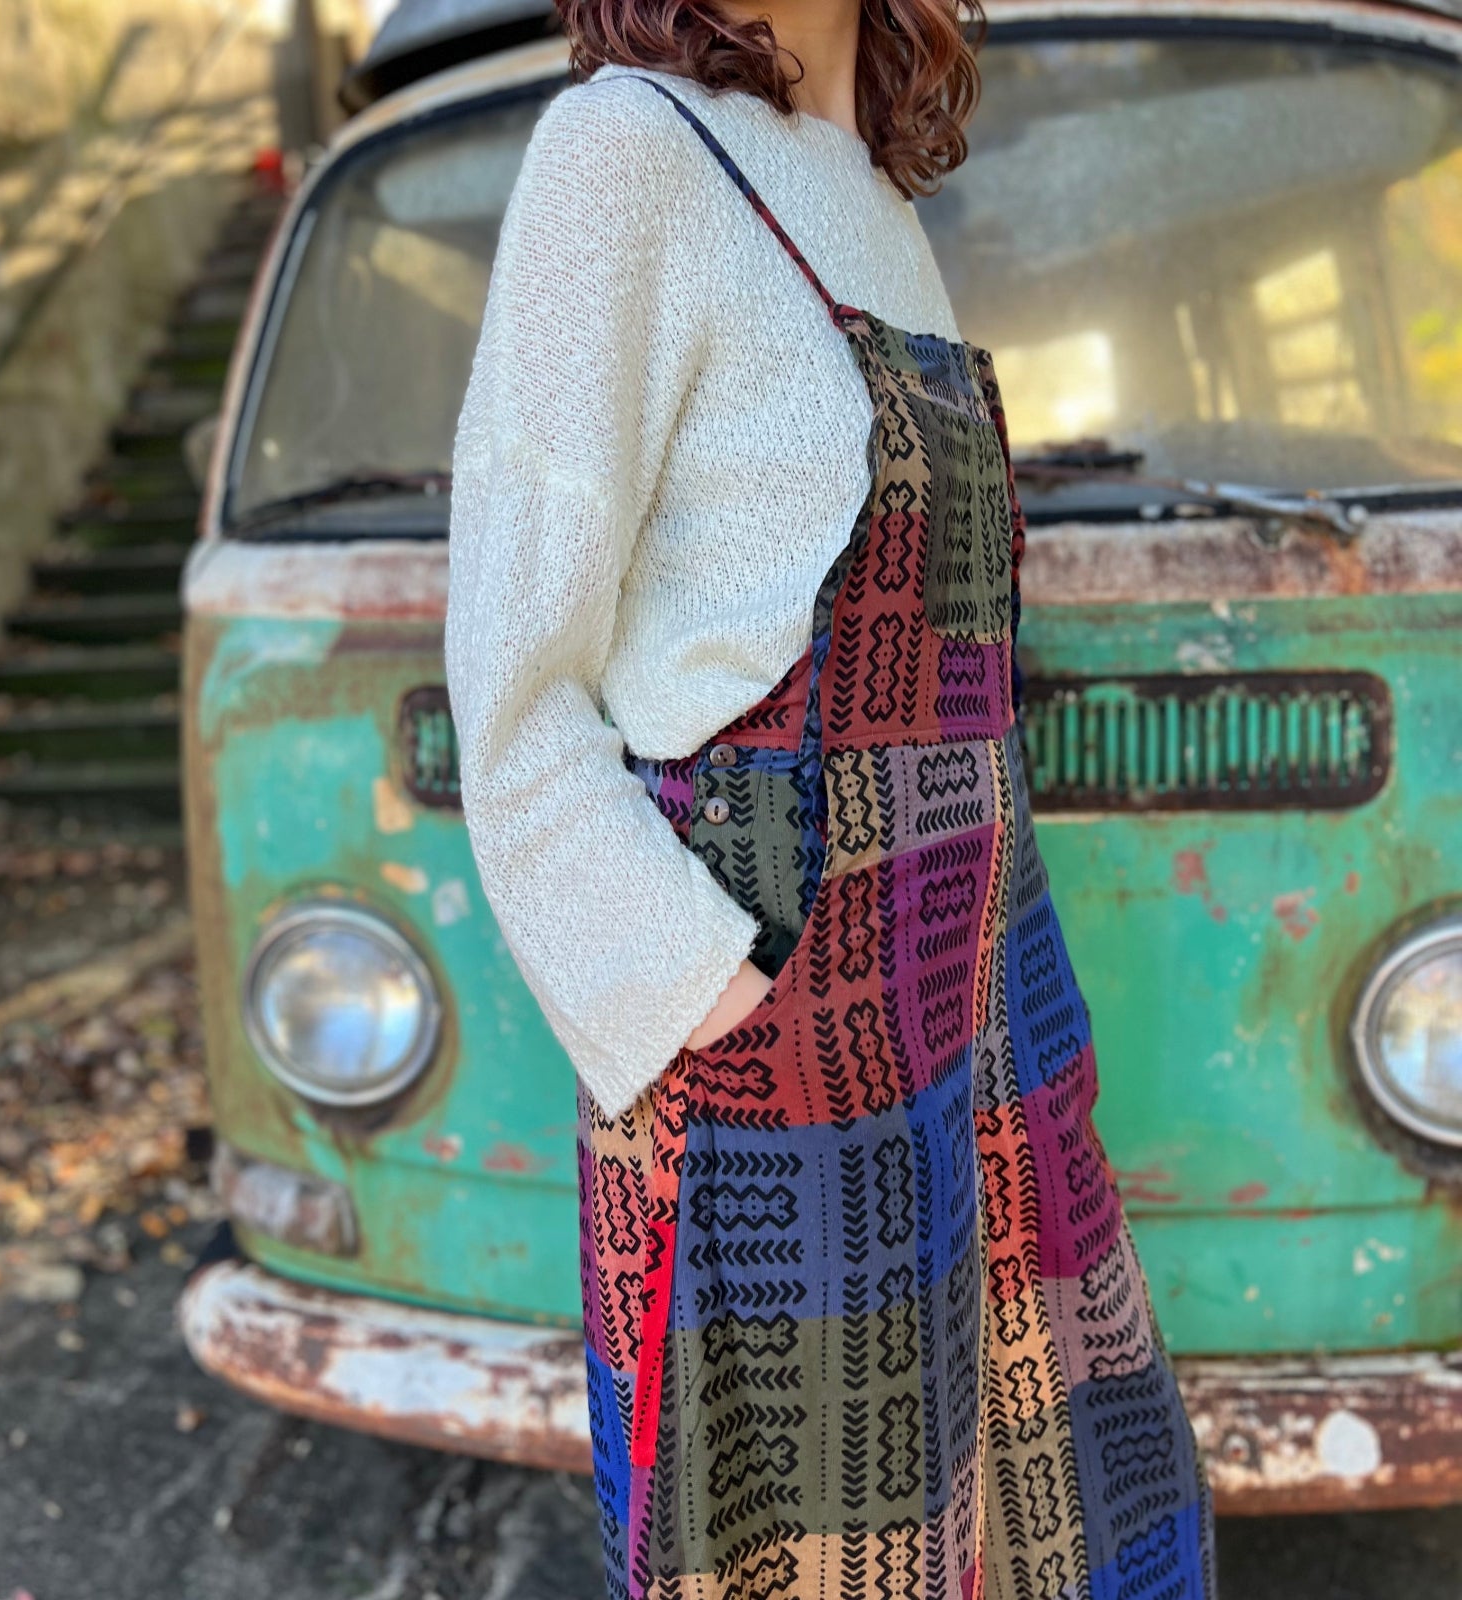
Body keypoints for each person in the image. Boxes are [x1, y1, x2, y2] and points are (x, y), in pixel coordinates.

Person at [443, 0, 1217, 1592]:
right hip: (778, 1059)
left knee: (1055, 1527)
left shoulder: (863, 188)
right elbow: (514, 694)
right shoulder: (624, 152)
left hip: (978, 1008)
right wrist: (709, 1003)